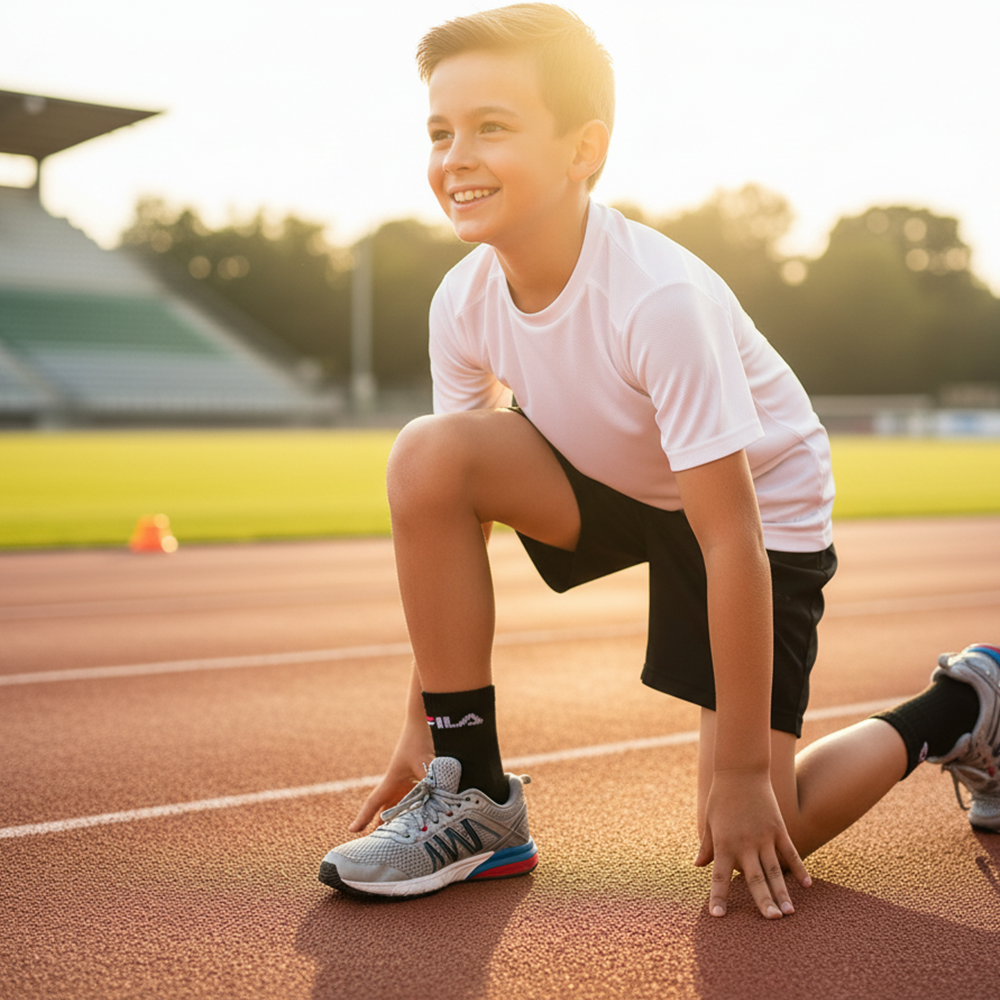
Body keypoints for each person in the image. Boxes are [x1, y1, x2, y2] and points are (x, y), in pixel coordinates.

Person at [318, 3, 1000, 918]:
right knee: (429, 456)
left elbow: (730, 541)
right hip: (620, 479)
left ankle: (963, 706)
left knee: (752, 834)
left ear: (582, 149)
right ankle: (474, 796)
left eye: (492, 127)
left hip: (754, 509)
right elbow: (458, 516)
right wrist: (430, 730)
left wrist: (745, 771)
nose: (457, 156)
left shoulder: (658, 301)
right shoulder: (464, 298)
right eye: (440, 131)